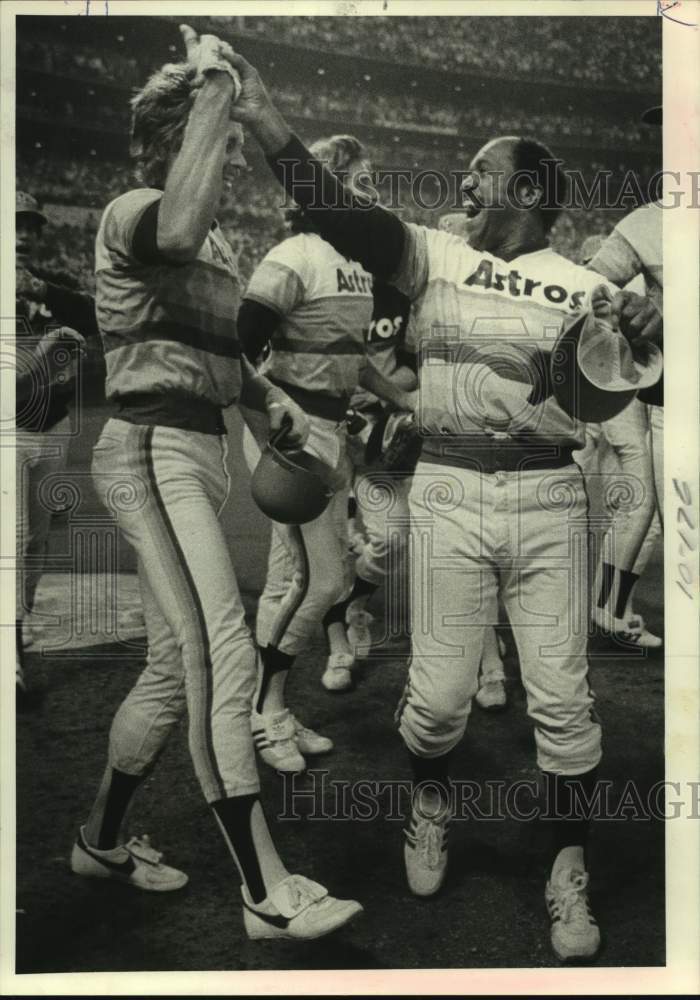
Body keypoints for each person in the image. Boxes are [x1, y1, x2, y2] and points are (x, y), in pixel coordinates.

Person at [216, 48, 660, 957]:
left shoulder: (593, 292)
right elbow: (345, 216)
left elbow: (640, 388)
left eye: (484, 174)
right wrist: (268, 124)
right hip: (449, 488)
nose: (465, 181)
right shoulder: (439, 255)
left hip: (548, 497)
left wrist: (662, 333)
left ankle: (566, 864)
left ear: (530, 194)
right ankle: (428, 803)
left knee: (566, 707)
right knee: (437, 703)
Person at [72, 29, 362, 942]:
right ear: (180, 128)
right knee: (221, 655)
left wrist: (266, 399)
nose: (234, 158)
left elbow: (230, 364)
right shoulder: (133, 208)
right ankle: (264, 893)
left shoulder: (221, 246)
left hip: (196, 451)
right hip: (150, 450)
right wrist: (213, 86)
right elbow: (180, 225)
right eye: (222, 139)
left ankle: (101, 841)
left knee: (171, 666)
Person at [239, 134, 415, 774]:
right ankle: (262, 716)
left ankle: (270, 711)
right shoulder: (293, 254)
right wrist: (270, 422)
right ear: (326, 186)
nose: (371, 190)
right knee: (318, 580)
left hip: (330, 430)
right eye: (360, 179)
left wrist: (402, 399)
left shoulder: (352, 264)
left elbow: (352, 363)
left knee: (304, 577)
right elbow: (240, 345)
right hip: (298, 429)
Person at [15, 191, 98, 707]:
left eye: (31, 227)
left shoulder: (42, 290)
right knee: (14, 539)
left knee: (37, 541)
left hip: (50, 428)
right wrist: (47, 352)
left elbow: (96, 313)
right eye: (14, 225)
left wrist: (44, 289)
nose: (25, 235)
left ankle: (19, 625)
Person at [578, 234, 662, 648]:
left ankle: (609, 607)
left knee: (630, 510)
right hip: (621, 391)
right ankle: (607, 609)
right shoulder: (623, 280)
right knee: (641, 504)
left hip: (625, 395)